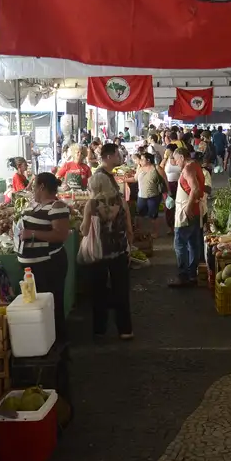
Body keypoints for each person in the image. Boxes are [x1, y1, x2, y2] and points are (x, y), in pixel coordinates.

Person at [81, 144, 134, 339]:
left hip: (106, 246)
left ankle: (105, 329)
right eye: (118, 154)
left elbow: (86, 228)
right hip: (111, 246)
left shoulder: (96, 197)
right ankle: (119, 329)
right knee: (113, 288)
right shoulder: (111, 191)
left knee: (104, 288)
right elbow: (124, 223)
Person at [17, 173, 72, 339]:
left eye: (34, 185)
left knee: (52, 306)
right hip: (32, 267)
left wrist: (32, 233)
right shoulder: (33, 205)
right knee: (38, 307)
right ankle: (43, 340)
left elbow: (61, 235)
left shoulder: (57, 206)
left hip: (49, 265)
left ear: (41, 186)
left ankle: (58, 343)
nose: (32, 188)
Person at [170, 146, 206, 288]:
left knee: (180, 244)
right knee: (193, 243)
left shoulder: (188, 168)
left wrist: (189, 207)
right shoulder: (195, 165)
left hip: (188, 211)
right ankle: (192, 275)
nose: (175, 162)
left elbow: (195, 189)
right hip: (196, 210)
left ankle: (184, 275)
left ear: (182, 157)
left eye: (176, 159)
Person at [135, 152, 167, 238]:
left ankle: (155, 232)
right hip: (141, 196)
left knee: (153, 215)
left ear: (148, 160)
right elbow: (135, 178)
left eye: (142, 159)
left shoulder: (156, 168)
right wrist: (124, 179)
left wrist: (167, 193)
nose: (140, 161)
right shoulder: (140, 168)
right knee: (140, 215)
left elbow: (164, 179)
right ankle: (141, 233)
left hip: (154, 196)